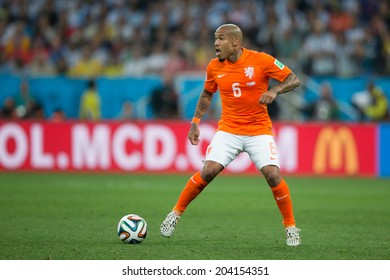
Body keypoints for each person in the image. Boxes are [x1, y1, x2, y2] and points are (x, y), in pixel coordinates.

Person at [160, 24, 301, 246]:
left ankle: (291, 227)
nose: (216, 43)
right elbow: (207, 93)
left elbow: (293, 78)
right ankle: (175, 214)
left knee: (273, 175)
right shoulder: (214, 67)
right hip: (229, 129)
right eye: (215, 39)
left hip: (258, 130)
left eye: (221, 38)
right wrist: (195, 122)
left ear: (236, 42)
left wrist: (274, 90)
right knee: (208, 171)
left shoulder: (261, 60)